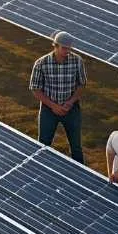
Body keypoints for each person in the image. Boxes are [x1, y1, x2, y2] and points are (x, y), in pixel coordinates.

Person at [29, 30, 87, 163]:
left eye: (69, 48)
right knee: (43, 144)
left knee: (76, 147)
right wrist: (53, 106)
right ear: (55, 46)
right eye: (64, 48)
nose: (67, 51)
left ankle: (80, 174)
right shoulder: (41, 63)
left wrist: (71, 102)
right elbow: (35, 88)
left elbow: (82, 84)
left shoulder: (77, 61)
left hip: (71, 109)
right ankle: (41, 168)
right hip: (49, 110)